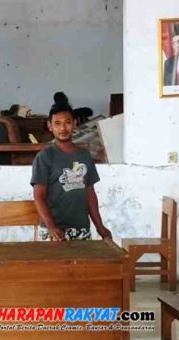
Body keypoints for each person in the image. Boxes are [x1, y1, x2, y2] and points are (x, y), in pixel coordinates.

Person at [30, 92, 111, 242]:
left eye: (67, 122)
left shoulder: (84, 156)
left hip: (81, 229)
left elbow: (90, 195)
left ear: (75, 123)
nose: (63, 128)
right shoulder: (45, 157)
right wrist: (51, 226)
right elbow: (39, 196)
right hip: (54, 232)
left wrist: (100, 227)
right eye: (57, 123)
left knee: (82, 266)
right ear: (50, 126)